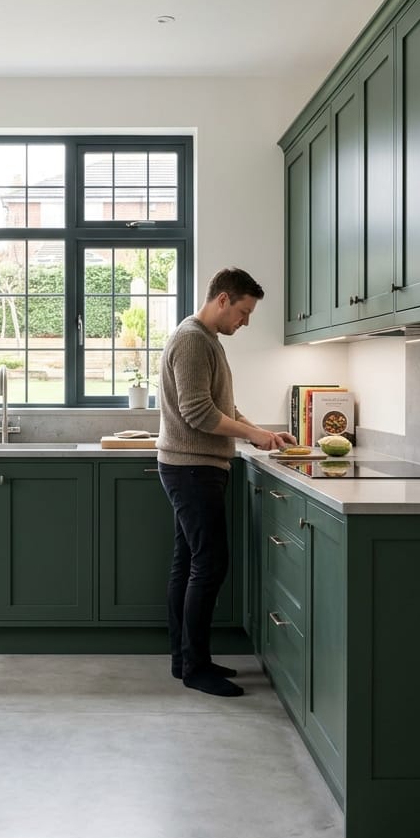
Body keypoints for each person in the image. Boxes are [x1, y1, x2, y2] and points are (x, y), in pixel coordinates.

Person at [156, 267, 296, 697]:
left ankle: (185, 659)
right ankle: (195, 667)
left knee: (190, 564)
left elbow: (223, 407)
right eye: (243, 312)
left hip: (194, 467)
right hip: (192, 469)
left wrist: (263, 434)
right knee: (209, 565)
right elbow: (198, 413)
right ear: (222, 300)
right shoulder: (193, 340)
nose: (246, 321)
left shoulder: (206, 339)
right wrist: (253, 435)